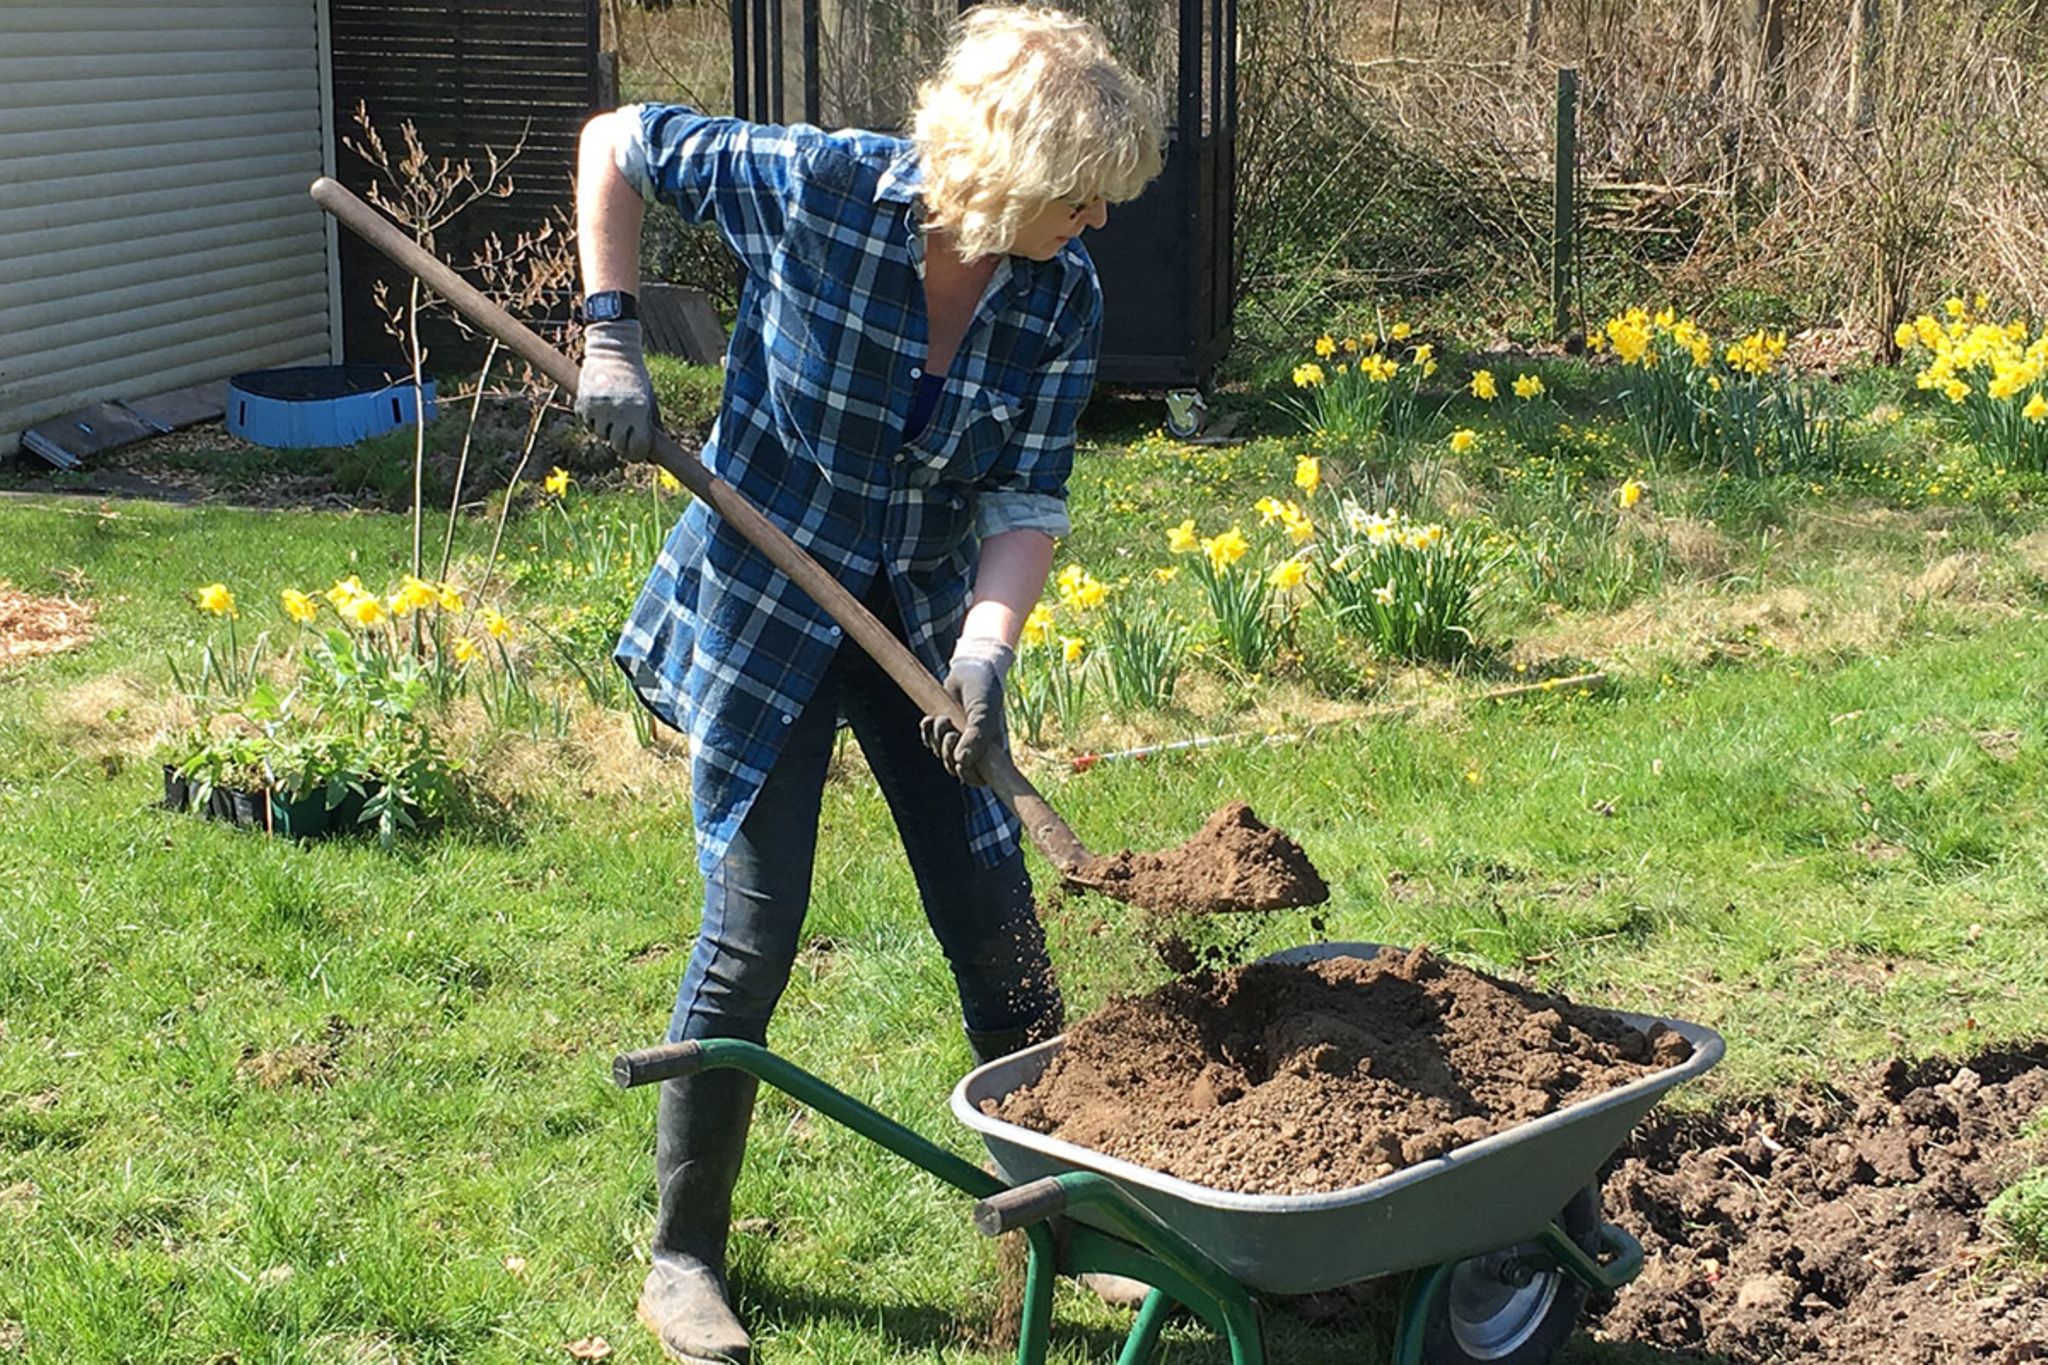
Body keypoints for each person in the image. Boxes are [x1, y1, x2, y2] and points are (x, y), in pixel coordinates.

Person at [572, 8, 1162, 1361]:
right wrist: (608, 332)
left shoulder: (1059, 289)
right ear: (1009, 175)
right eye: (1082, 194)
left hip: (927, 622)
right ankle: (683, 1258)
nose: (1099, 221)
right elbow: (617, 144)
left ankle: (1055, 1217)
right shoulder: (818, 186)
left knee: (994, 912)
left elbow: (1027, 493)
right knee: (755, 922)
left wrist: (985, 651)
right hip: (768, 602)